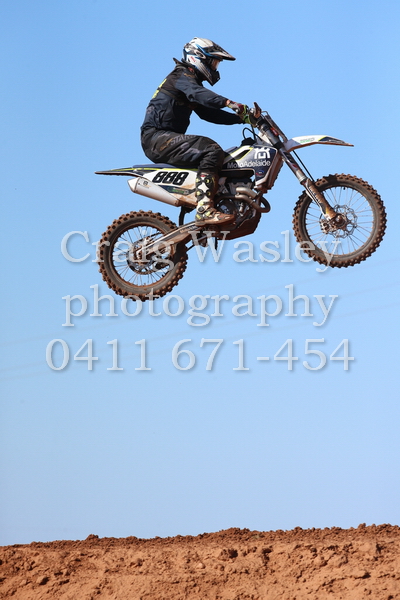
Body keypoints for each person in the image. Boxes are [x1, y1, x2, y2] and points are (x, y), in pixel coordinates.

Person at [140, 37, 257, 225]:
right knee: (211, 150)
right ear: (198, 57)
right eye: (213, 62)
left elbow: (209, 113)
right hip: (156, 138)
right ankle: (204, 209)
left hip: (164, 138)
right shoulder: (180, 76)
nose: (215, 68)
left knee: (218, 155)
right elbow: (199, 94)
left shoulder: (189, 83)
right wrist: (229, 102)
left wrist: (241, 119)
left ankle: (219, 199)